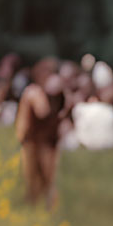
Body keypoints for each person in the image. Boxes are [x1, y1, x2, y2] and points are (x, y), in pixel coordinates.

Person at [15, 58, 69, 208]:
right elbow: (42, 111)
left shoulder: (56, 93)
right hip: (32, 142)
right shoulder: (33, 92)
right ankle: (34, 210)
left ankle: (47, 212)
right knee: (32, 180)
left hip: (47, 142)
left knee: (49, 180)